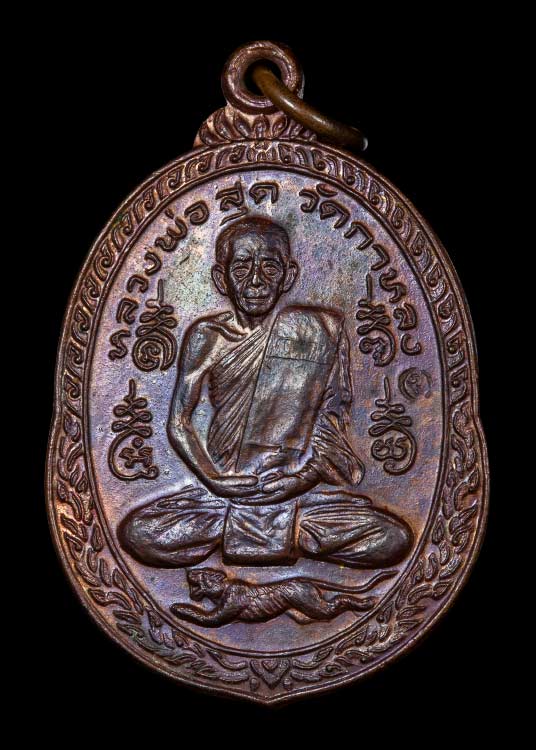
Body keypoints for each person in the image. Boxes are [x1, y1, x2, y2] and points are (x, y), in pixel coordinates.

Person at [118, 216, 413, 568]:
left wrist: (299, 480)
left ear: (288, 276)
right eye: (242, 267)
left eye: (269, 267)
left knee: (393, 538)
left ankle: (263, 532)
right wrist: (215, 480)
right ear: (221, 278)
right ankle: (283, 537)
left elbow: (331, 426)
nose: (256, 281)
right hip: (223, 496)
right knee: (138, 533)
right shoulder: (207, 336)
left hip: (294, 496)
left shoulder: (319, 330)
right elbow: (179, 421)